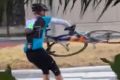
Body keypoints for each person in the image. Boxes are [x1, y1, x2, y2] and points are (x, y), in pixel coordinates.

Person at [24, 3, 72, 80]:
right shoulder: (44, 19)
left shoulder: (29, 22)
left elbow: (31, 32)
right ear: (40, 11)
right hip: (38, 51)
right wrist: (70, 28)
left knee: (45, 70)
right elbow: (63, 22)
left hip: (28, 53)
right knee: (55, 69)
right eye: (44, 11)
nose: (45, 13)